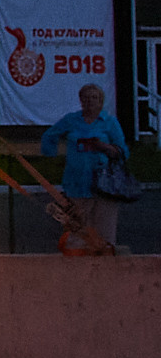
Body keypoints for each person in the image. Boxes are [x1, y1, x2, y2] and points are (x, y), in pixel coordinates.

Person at [40, 83, 129, 248]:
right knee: (77, 232)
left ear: (101, 101)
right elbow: (49, 136)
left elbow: (123, 152)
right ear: (80, 100)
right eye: (86, 97)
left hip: (104, 186)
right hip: (76, 183)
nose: (90, 101)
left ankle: (105, 269)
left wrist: (104, 147)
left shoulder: (110, 122)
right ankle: (77, 269)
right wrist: (51, 157)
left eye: (94, 97)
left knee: (105, 235)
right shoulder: (71, 120)